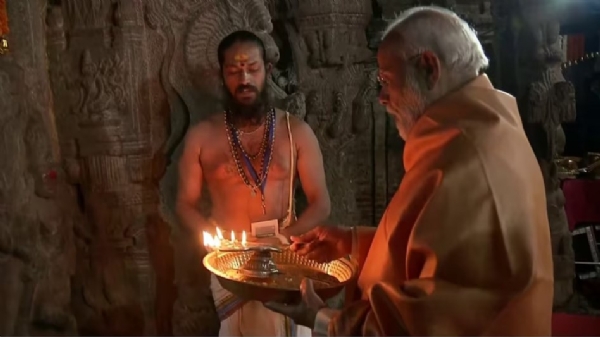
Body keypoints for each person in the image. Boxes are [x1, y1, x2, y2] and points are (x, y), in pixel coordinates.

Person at [264, 6, 554, 336]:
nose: (382, 97)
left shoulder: (469, 160)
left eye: (387, 80)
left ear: (428, 67)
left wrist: (323, 319)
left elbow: (438, 320)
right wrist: (354, 244)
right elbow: (444, 254)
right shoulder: (480, 131)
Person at [176, 30, 331, 336]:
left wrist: (284, 238)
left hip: (285, 259)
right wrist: (217, 242)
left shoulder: (296, 131)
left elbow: (321, 203)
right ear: (222, 75)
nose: (244, 78)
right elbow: (184, 204)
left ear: (267, 71)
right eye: (233, 71)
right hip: (231, 265)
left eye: (252, 69)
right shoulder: (202, 136)